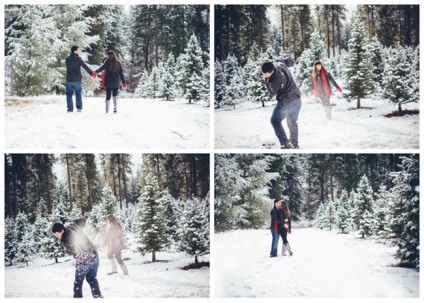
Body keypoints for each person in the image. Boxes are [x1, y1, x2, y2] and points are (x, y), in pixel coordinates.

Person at [51, 219, 103, 298]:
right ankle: (98, 296)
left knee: (78, 282)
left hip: (84, 259)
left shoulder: (65, 239)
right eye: (54, 235)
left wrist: (76, 259)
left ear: (62, 231)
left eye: (57, 234)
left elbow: (72, 252)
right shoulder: (70, 224)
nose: (56, 236)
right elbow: (79, 220)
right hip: (94, 255)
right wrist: (85, 217)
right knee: (91, 278)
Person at [262, 59, 302, 149]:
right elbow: (286, 61)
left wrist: (266, 80)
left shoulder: (274, 80)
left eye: (266, 74)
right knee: (292, 122)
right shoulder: (279, 64)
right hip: (297, 98)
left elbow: (272, 92)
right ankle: (294, 144)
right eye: (263, 73)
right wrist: (293, 61)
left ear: (272, 71)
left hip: (286, 102)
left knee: (275, 121)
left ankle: (285, 143)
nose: (264, 75)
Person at [65, 46, 94, 113]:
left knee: (69, 95)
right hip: (77, 79)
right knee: (78, 94)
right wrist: (91, 73)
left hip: (69, 79)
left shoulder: (67, 59)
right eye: (78, 50)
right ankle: (79, 108)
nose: (79, 51)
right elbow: (85, 66)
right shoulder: (78, 59)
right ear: (75, 51)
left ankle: (70, 109)